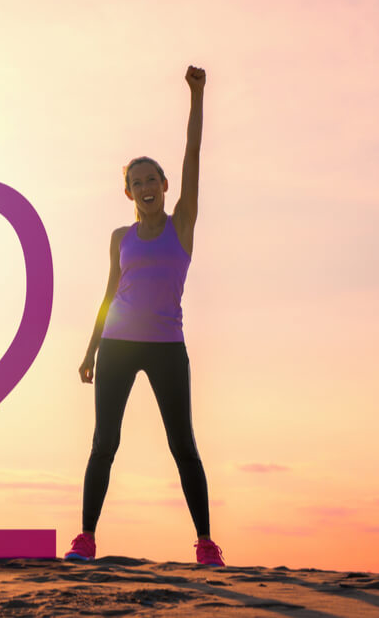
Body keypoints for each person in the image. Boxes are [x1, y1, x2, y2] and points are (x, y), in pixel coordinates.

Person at [63, 65, 224, 567]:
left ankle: (205, 544)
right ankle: (85, 539)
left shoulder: (183, 224)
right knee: (103, 442)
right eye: (136, 182)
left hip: (167, 348)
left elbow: (194, 154)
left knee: (184, 445)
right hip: (116, 345)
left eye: (152, 178)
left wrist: (197, 96)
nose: (146, 186)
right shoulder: (120, 238)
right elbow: (110, 294)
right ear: (128, 193)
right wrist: (90, 351)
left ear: (164, 184)